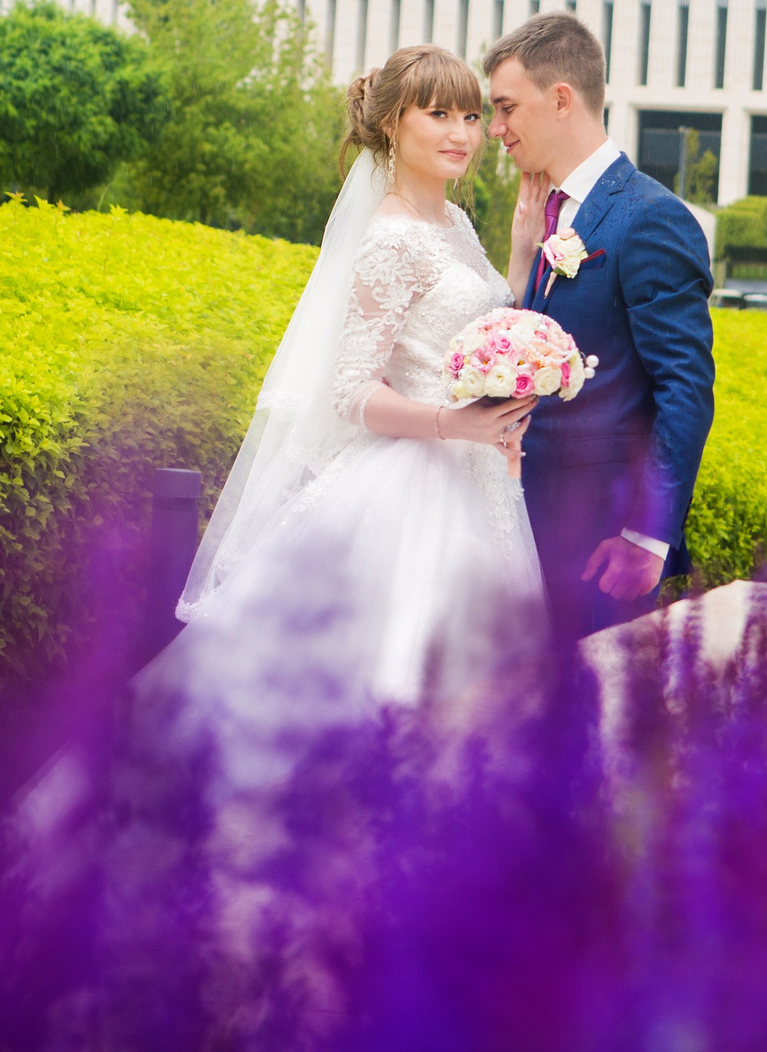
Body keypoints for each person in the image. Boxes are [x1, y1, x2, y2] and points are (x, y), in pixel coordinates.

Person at [169, 43, 546, 732]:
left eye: (469, 114)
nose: (463, 133)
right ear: (395, 123)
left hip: (481, 476)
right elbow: (350, 391)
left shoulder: (455, 223)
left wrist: (520, 255)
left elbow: (472, 337)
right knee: (397, 684)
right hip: (411, 486)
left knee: (479, 694)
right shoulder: (391, 237)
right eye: (439, 114)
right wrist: (455, 423)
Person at [485, 13, 718, 637]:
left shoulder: (651, 219)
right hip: (524, 523)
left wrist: (647, 536)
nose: (494, 129)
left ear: (561, 99)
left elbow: (685, 389)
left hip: (597, 543)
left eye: (506, 108)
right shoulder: (547, 213)